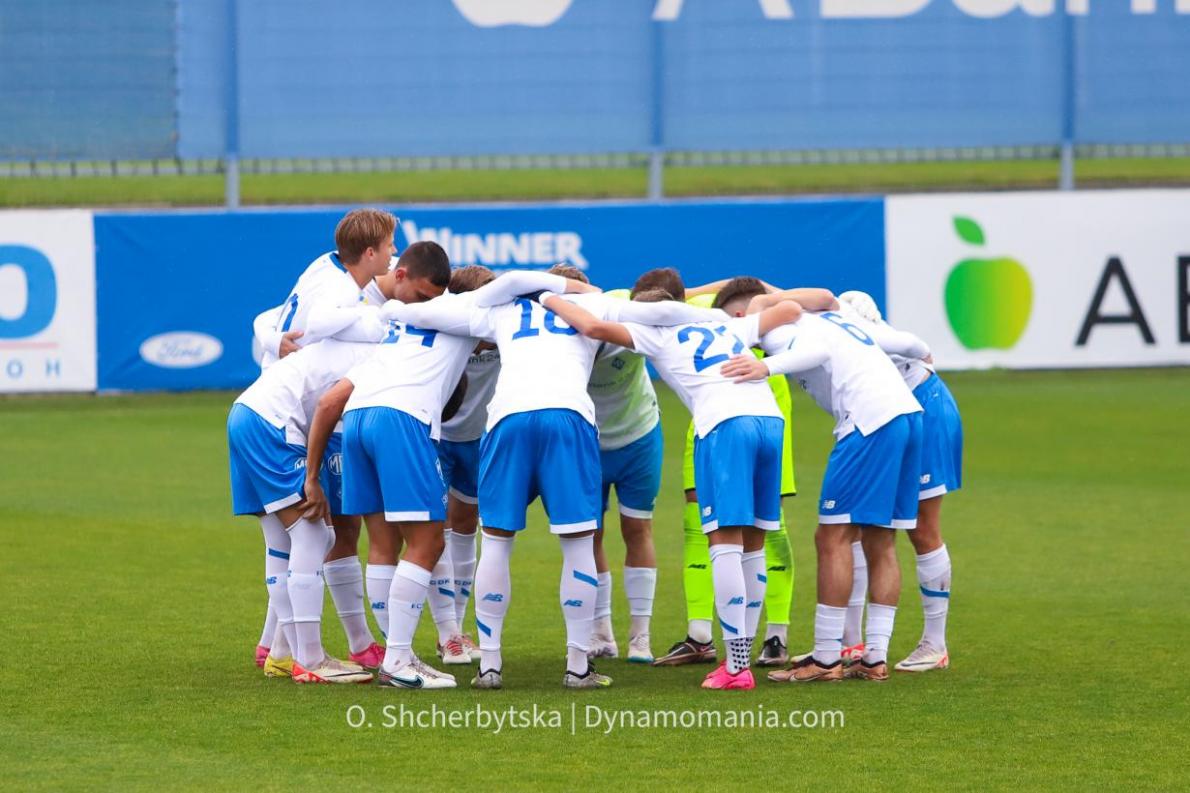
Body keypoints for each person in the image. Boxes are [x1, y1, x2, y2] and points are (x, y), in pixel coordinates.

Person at [389, 277, 720, 690]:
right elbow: (662, 312)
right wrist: (718, 321)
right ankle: (577, 666)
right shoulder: (595, 304)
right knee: (579, 543)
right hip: (568, 417)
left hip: (507, 419)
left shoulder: (502, 309)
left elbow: (426, 314)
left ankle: (489, 665)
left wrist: (389, 310)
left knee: (495, 542)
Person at [304, 268, 594, 689]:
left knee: (386, 542)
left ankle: (399, 652)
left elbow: (332, 395)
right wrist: (579, 290)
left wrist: (392, 307)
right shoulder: (471, 313)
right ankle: (402, 658)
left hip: (359, 419)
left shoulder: (402, 326)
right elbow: (512, 286)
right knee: (430, 540)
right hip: (407, 422)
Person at [540, 290, 801, 690]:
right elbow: (790, 309)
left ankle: (735, 669)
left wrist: (549, 297)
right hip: (770, 421)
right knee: (754, 546)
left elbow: (591, 327)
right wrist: (757, 340)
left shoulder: (656, 335)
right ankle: (740, 660)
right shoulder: (724, 324)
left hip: (725, 425)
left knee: (724, 544)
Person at [249, 229, 450, 671]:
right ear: (375, 255)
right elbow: (305, 327)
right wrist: (280, 338)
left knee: (298, 539)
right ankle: (338, 648)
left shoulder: (334, 278)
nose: (394, 252)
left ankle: (276, 648)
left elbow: (268, 318)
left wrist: (272, 337)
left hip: (279, 409)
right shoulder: (349, 295)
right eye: (390, 245)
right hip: (300, 418)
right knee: (326, 533)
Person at [722, 300, 927, 682]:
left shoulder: (778, 331)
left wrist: (767, 366)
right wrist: (926, 355)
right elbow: (910, 343)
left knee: (832, 536)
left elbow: (816, 352)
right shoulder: (834, 317)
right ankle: (874, 658)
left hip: (868, 423)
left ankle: (827, 659)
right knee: (881, 539)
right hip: (908, 415)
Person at [227, 337, 381, 684]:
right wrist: (312, 477)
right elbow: (328, 406)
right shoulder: (381, 356)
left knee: (282, 544)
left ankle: (284, 653)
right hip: (274, 422)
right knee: (313, 534)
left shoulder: (367, 343)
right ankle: (310, 658)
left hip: (247, 413)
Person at [838, 291, 961, 673]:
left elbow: (913, 345)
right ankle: (851, 643)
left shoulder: (864, 337)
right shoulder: (835, 334)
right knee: (859, 523)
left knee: (922, 527)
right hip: (886, 419)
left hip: (925, 408)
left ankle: (935, 644)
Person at [547, 264, 660, 664]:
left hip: (638, 436)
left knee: (637, 528)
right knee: (589, 534)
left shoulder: (624, 309)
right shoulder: (548, 336)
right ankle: (601, 632)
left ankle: (641, 637)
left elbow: (680, 297)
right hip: (585, 442)